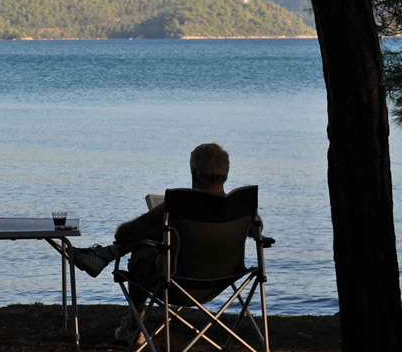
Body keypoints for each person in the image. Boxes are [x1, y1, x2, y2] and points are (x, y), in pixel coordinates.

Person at [69, 143, 261, 341]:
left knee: (143, 252)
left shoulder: (179, 204)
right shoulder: (240, 207)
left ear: (194, 172)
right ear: (225, 173)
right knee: (168, 235)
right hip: (223, 280)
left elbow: (124, 234)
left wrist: (158, 217)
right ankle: (105, 255)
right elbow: (257, 232)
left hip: (177, 283)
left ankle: (133, 327)